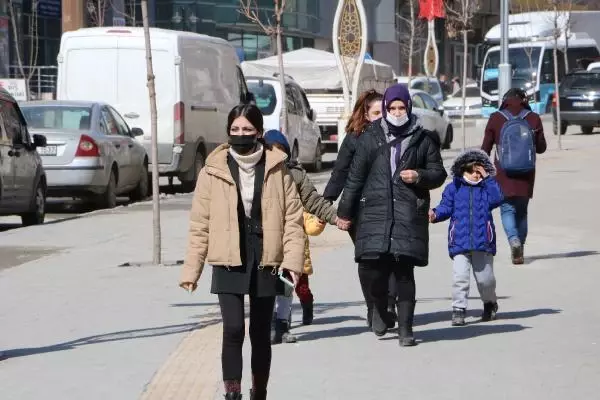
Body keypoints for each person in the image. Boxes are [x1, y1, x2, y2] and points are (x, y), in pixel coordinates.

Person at [179, 105, 305, 400]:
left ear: (259, 132)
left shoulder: (277, 166)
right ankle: (232, 393)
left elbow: (293, 219)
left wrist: (293, 261)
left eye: (247, 130)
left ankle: (259, 391)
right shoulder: (213, 168)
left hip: (266, 257)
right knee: (234, 329)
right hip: (228, 257)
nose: (240, 135)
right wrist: (191, 270)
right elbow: (200, 223)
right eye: (234, 130)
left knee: (260, 332)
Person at [336, 84, 447, 346]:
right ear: (385, 109)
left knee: (404, 272)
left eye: (401, 107)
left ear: (408, 107)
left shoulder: (423, 138)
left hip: (408, 211)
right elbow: (355, 177)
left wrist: (419, 176)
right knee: (373, 269)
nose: (397, 112)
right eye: (392, 108)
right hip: (374, 211)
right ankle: (380, 308)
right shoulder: (370, 136)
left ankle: (406, 329)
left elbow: (439, 173)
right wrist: (344, 212)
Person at [263, 129, 338, 344]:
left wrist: (334, 217)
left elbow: (313, 201)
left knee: (285, 287)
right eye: (271, 151)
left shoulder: (295, 174)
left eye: (280, 152)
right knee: (266, 289)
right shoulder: (257, 174)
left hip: (291, 241)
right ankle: (268, 326)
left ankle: (283, 326)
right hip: (264, 242)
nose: (275, 157)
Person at [322, 89, 387, 327]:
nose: (382, 116)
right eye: (377, 112)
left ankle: (387, 303)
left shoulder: (398, 136)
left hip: (389, 208)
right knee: (368, 260)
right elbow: (340, 171)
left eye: (385, 111)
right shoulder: (354, 138)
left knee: (390, 259)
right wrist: (326, 201)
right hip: (359, 209)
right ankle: (374, 306)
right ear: (367, 115)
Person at [429, 149, 504, 326]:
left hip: (482, 242)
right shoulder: (453, 188)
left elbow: (498, 199)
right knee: (460, 277)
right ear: (463, 170)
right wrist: (435, 214)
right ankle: (458, 309)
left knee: (486, 280)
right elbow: (445, 207)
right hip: (460, 242)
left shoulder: (486, 188)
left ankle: (489, 303)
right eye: (473, 171)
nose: (476, 175)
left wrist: (488, 178)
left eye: (480, 172)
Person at [481, 88, 547, 264]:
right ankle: (521, 248)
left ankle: (513, 240)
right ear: (524, 100)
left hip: (503, 174)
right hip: (526, 174)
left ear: (505, 100)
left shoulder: (496, 118)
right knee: (522, 212)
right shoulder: (533, 118)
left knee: (507, 209)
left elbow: (485, 148)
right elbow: (541, 148)